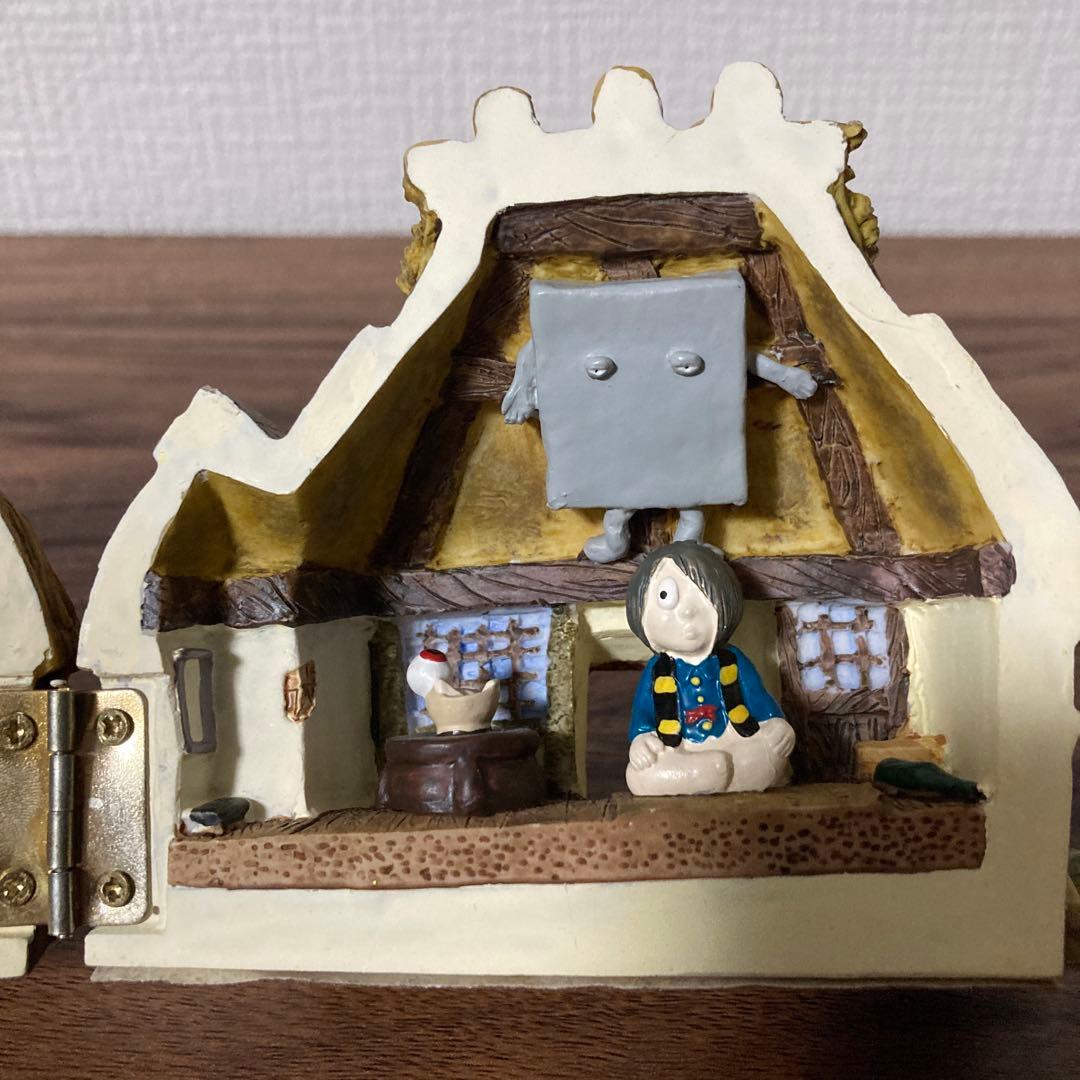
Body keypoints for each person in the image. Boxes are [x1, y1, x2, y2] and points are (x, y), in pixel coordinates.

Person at [624, 541, 796, 795]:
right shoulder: (657, 670)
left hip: (733, 740)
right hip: (679, 749)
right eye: (665, 596)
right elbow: (643, 716)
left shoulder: (732, 660)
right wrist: (641, 740)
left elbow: (759, 700)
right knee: (639, 774)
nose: (687, 611)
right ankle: (708, 772)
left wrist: (777, 726)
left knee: (771, 754)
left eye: (702, 594)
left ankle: (714, 774)